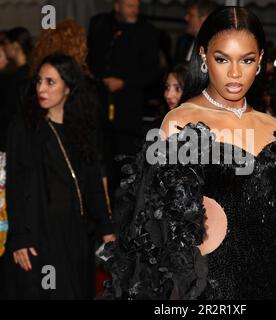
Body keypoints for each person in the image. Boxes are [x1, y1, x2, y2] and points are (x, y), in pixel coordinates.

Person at [101, 6, 276, 300]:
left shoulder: (272, 126)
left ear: (261, 60)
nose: (235, 73)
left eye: (247, 60)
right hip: (216, 280)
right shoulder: (181, 122)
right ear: (203, 56)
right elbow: (154, 226)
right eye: (222, 59)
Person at [4, 53, 115, 299]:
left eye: (50, 82)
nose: (41, 88)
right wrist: (19, 238)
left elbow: (94, 184)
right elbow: (15, 185)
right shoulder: (24, 127)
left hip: (76, 231)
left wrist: (107, 228)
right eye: (39, 81)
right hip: (39, 231)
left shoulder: (82, 127)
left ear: (68, 87)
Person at [87, 0, 160, 198]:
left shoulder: (146, 31)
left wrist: (125, 83)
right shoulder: (100, 24)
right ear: (117, 5)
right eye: (129, 5)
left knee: (124, 162)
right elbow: (91, 58)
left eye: (136, 5)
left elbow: (153, 71)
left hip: (129, 109)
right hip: (100, 104)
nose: (134, 10)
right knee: (101, 159)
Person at [174, 0, 219, 64]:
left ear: (203, 20)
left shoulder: (216, 47)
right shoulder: (184, 42)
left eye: (190, 15)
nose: (186, 18)